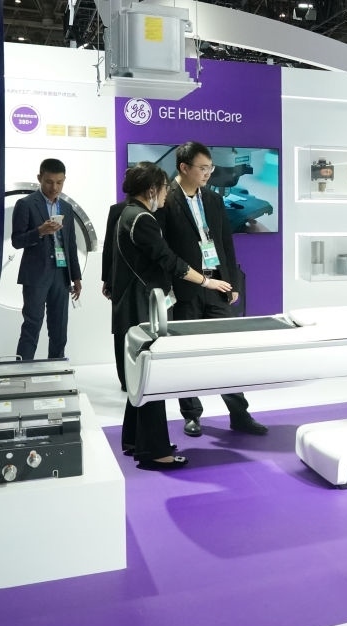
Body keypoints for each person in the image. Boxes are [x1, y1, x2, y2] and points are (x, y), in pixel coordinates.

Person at [110, 161, 232, 469]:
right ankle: (155, 452)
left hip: (135, 305)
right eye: (164, 188)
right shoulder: (142, 219)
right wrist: (206, 281)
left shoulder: (128, 214)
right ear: (152, 189)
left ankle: (135, 440)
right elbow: (169, 260)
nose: (167, 194)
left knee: (140, 377)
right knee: (152, 377)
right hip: (145, 306)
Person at [159, 141, 267, 438]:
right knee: (187, 355)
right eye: (203, 168)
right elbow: (164, 250)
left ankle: (239, 414)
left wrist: (232, 282)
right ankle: (191, 415)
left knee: (227, 352)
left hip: (217, 284)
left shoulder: (213, 199)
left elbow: (224, 243)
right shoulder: (166, 199)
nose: (208, 173)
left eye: (210, 168)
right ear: (184, 167)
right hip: (185, 288)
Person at [11, 158, 82, 360]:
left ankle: (56, 369)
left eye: (59, 182)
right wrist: (40, 231)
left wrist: (76, 277)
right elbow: (17, 241)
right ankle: (23, 371)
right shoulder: (25, 204)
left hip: (61, 274)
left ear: (64, 180)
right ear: (39, 178)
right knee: (32, 325)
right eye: (49, 182)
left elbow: (71, 244)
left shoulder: (66, 208)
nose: (54, 187)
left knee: (59, 327)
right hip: (36, 275)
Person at [100, 199, 127, 391]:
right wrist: (107, 279)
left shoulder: (160, 207)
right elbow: (109, 246)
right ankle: (125, 378)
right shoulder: (117, 210)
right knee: (121, 329)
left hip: (150, 282)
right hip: (119, 278)